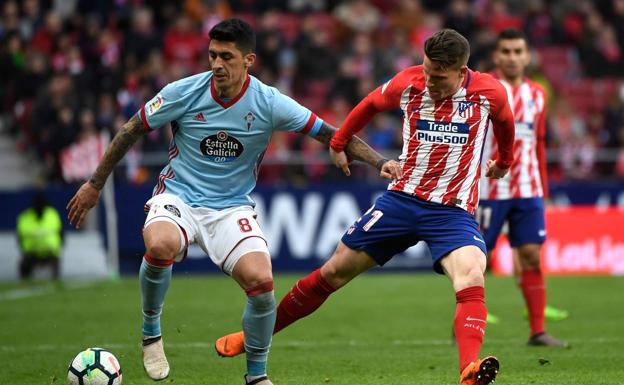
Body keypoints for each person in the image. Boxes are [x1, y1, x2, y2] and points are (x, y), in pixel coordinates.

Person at [66, 18, 394, 385]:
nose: (217, 64)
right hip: (179, 196)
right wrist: (95, 184)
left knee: (262, 281)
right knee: (161, 244)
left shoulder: (269, 102)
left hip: (231, 207)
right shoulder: (183, 92)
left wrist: (380, 162)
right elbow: (131, 129)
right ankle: (151, 332)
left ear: (248, 60)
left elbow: (331, 133)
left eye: (226, 56)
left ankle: (256, 376)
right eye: (212, 56)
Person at [215, 29, 516, 385]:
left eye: (440, 77)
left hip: (451, 211)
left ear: (462, 69)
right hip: (401, 200)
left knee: (472, 274)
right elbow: (371, 103)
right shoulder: (409, 82)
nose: (430, 80)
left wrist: (504, 159)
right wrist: (339, 140)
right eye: (427, 69)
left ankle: (469, 369)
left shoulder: (488, 92)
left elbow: (506, 122)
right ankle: (254, 339)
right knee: (333, 272)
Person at [478, 28, 568, 347]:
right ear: (496, 55)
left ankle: (538, 331)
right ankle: (467, 324)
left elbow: (539, 142)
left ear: (527, 56)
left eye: (518, 51)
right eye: (506, 51)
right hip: (488, 190)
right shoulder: (483, 89)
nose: (512, 58)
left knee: (530, 255)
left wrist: (543, 190)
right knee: (478, 260)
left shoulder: (538, 94)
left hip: (528, 189)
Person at [17, 191, 63, 280]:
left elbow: (61, 233)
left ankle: (55, 281)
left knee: (55, 264)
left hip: (50, 252)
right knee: (24, 265)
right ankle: (24, 283)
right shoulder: (26, 217)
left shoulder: (52, 215)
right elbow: (20, 236)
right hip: (32, 253)